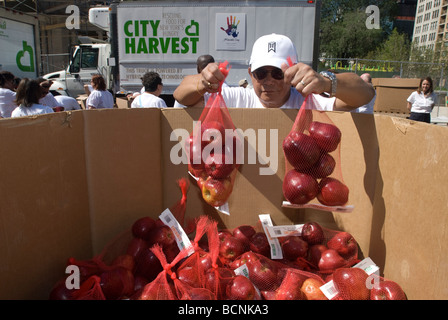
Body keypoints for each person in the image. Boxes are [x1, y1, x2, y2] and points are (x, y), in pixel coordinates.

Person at [173, 33, 375, 110]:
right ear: (251, 73)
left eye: (278, 73)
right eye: (261, 73)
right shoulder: (235, 98)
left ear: (294, 73)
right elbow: (181, 95)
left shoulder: (312, 102)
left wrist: (326, 82)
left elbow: (365, 94)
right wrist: (203, 81)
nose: (269, 81)